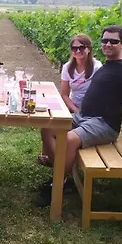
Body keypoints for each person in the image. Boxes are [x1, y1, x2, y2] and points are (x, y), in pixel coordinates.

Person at [36, 25, 122, 207]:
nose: (108, 44)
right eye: (105, 40)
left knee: (69, 140)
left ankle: (58, 183)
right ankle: (61, 167)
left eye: (113, 41)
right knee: (47, 128)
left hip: (103, 124)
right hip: (84, 117)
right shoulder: (108, 65)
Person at [38, 34, 102, 167]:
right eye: (74, 48)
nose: (78, 51)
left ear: (89, 49)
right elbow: (65, 95)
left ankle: (59, 166)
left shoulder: (97, 68)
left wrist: (82, 112)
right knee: (47, 127)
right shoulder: (67, 67)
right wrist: (75, 109)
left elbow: (100, 95)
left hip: (91, 112)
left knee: (56, 130)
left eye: (81, 48)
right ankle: (59, 163)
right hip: (73, 108)